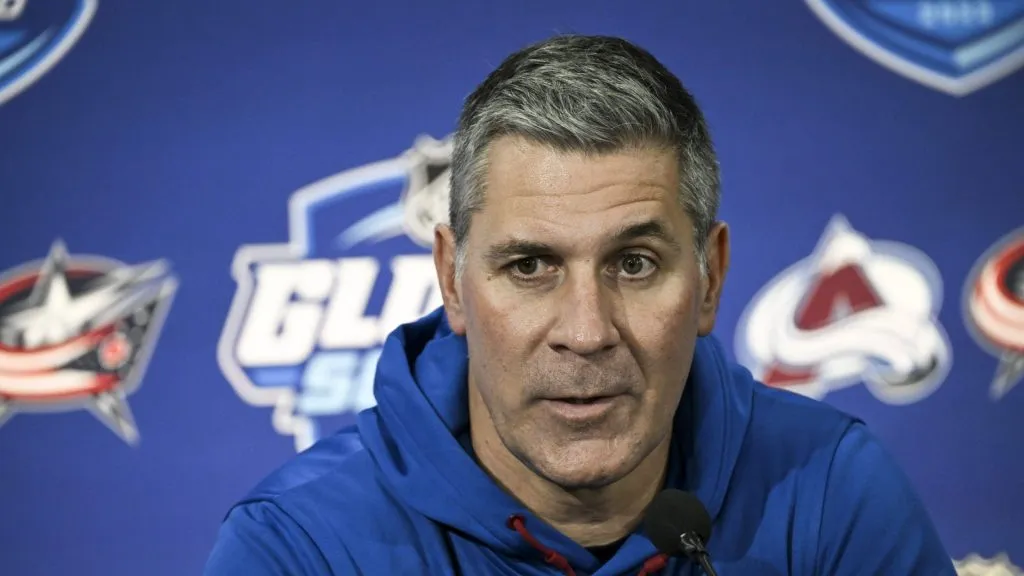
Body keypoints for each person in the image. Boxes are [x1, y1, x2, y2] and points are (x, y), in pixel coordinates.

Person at [203, 35, 956, 575]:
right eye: (530, 266)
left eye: (634, 264)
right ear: (452, 279)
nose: (587, 332)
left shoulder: (831, 491)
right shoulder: (301, 547)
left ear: (711, 280)